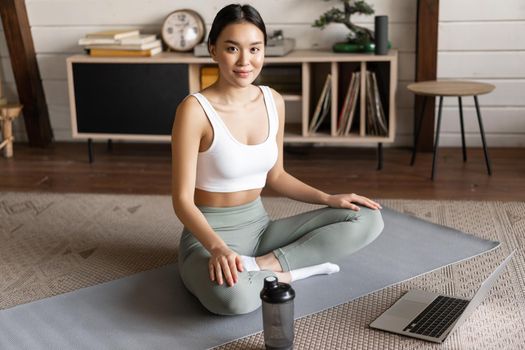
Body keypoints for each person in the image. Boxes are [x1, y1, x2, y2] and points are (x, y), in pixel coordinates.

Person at [171, 4, 384, 316]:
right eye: (232, 49)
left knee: (367, 218)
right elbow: (181, 200)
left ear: (264, 51)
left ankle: (264, 267)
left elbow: (277, 176)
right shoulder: (194, 110)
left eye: (255, 49)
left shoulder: (273, 101)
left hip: (260, 230)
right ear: (213, 50)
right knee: (235, 301)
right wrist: (217, 248)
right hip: (207, 238)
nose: (245, 61)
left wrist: (328, 197)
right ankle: (289, 273)